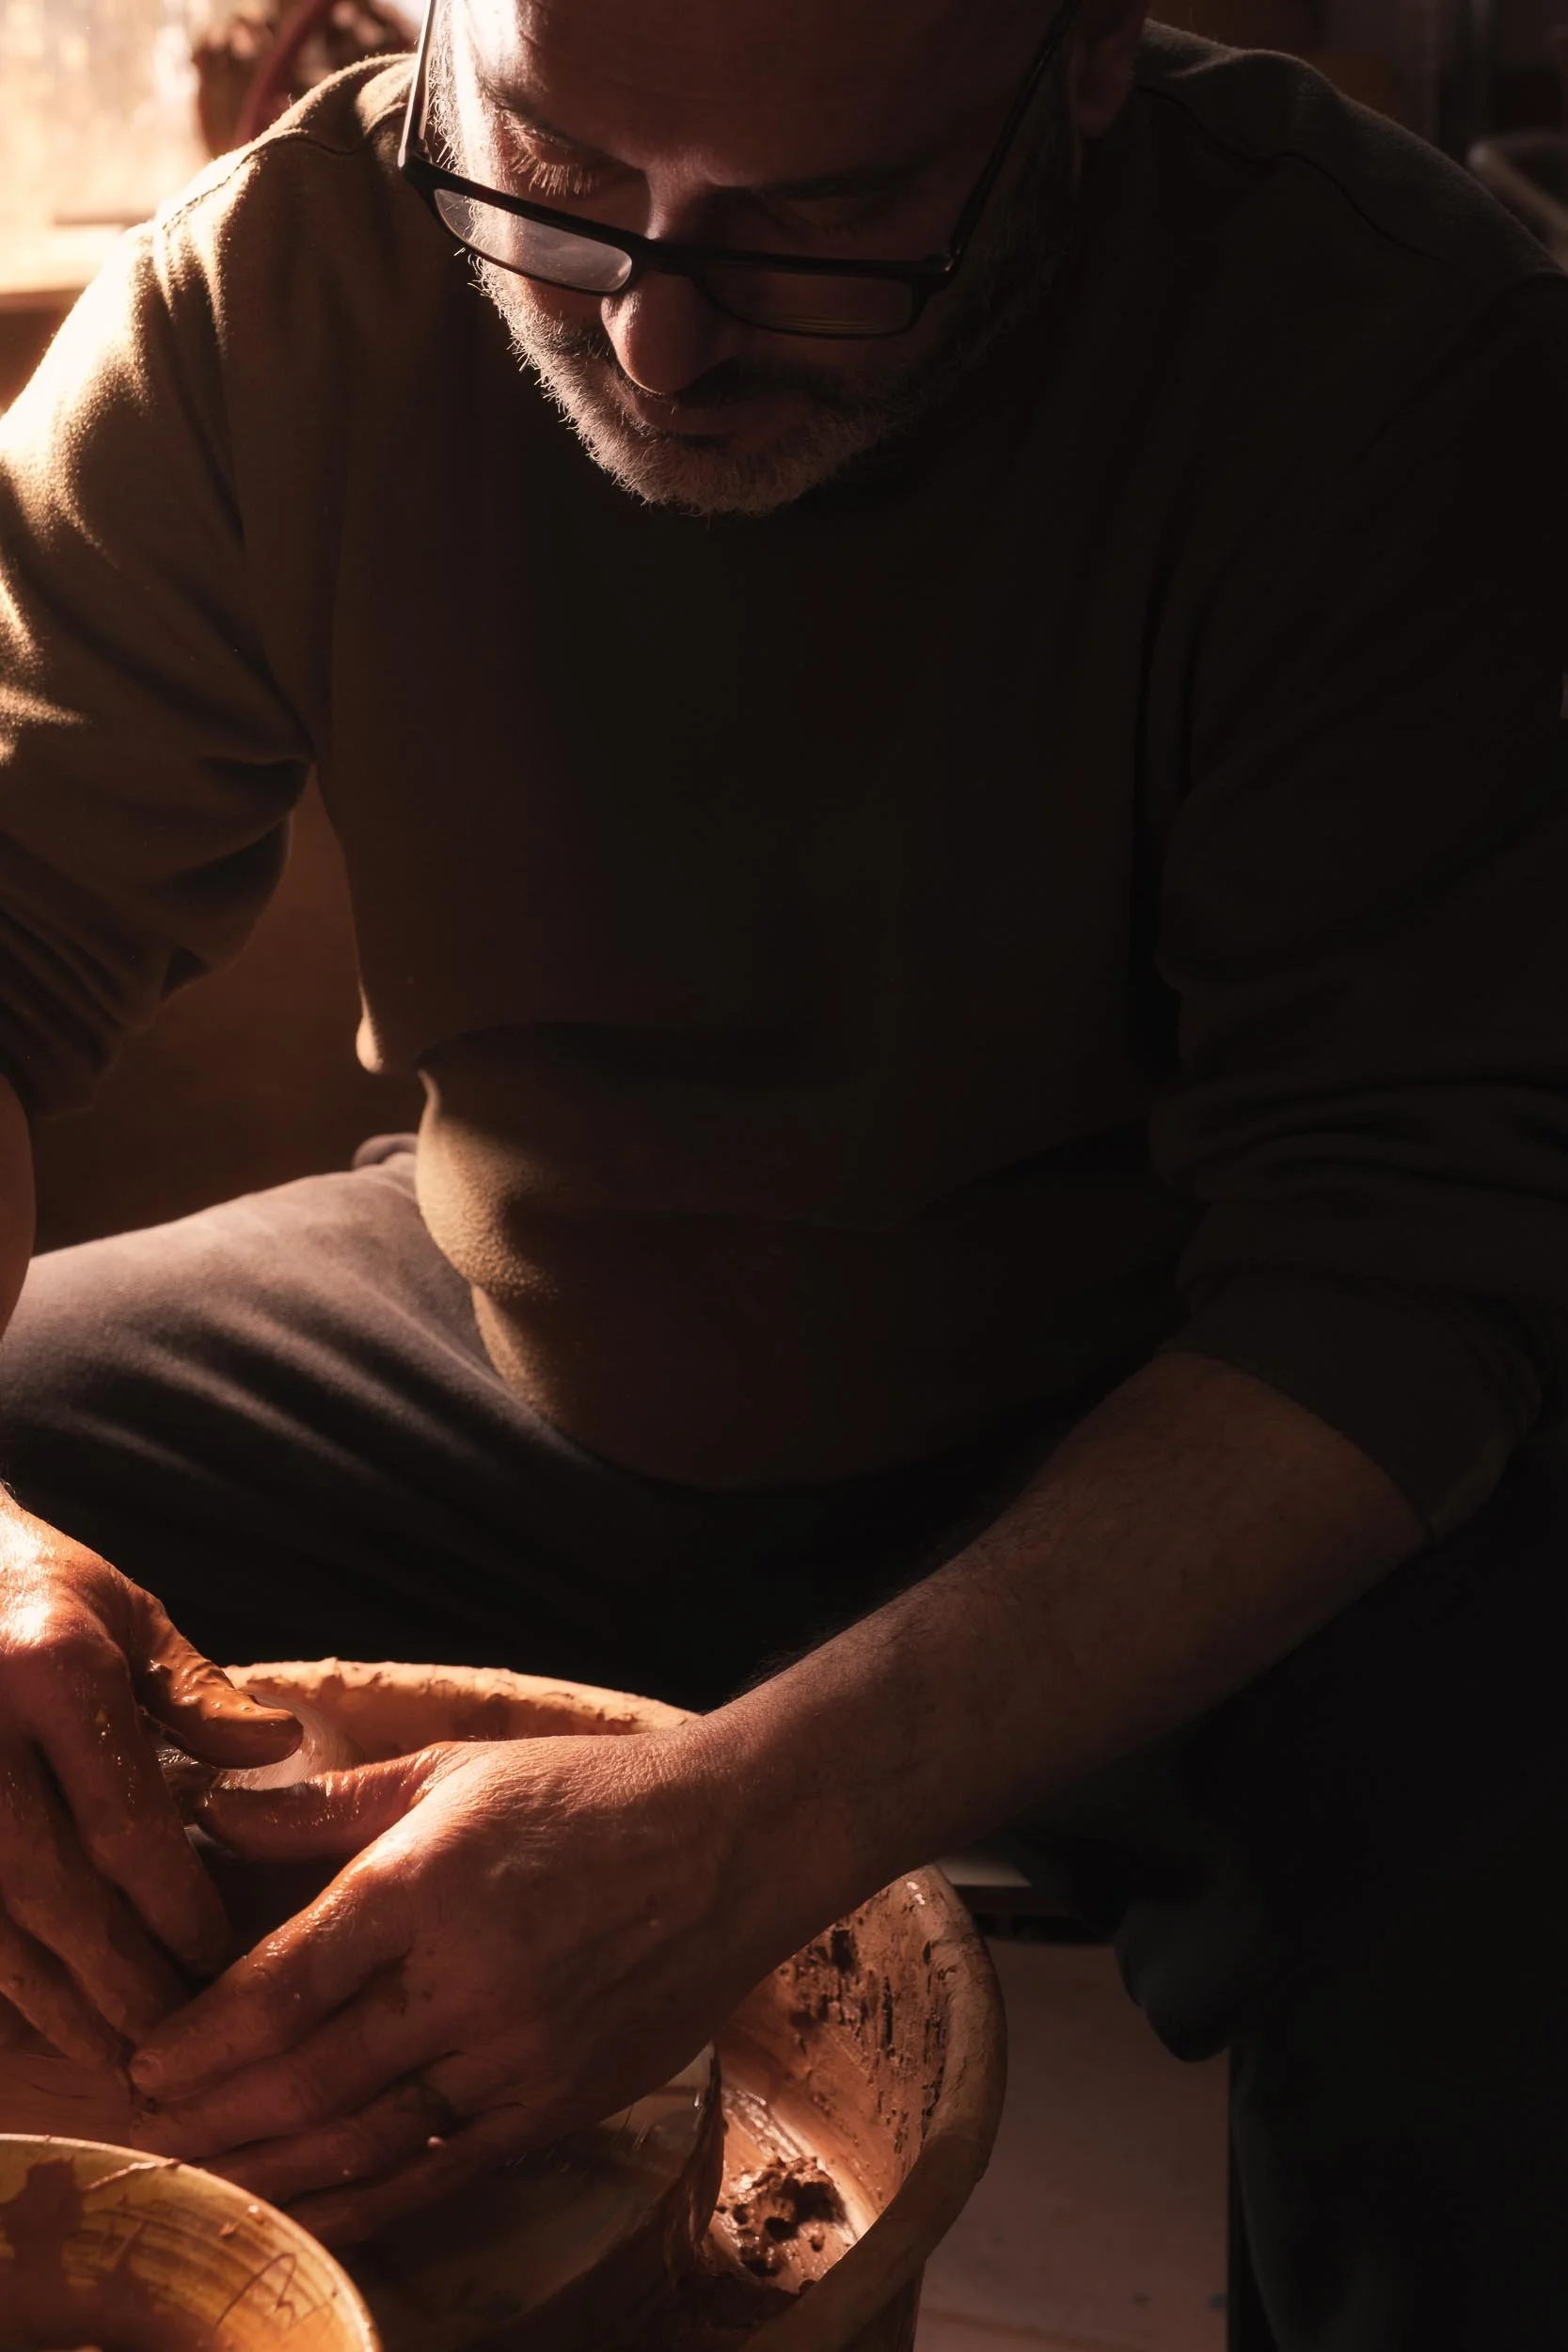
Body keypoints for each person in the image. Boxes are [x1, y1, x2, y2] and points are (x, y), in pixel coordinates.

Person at [0, 0, 1565, 2340]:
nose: (653, 326)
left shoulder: (1389, 355)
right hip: (519, 1322)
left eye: (822, 229)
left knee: (1516, 1896)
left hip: (1165, 1404)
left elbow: (1405, 1255)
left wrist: (754, 1827)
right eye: (554, 170)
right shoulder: (283, 279)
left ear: (1082, 70)